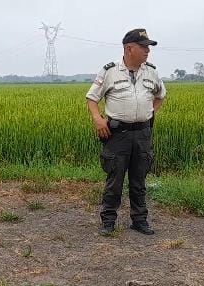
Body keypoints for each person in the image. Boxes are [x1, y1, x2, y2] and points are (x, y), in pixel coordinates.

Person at [85, 28, 166, 236]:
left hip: (142, 134)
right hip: (117, 134)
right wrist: (98, 120)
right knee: (115, 179)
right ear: (129, 48)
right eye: (144, 47)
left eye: (148, 47)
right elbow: (92, 98)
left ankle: (139, 221)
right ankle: (108, 221)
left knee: (139, 180)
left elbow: (160, 95)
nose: (148, 51)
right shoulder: (110, 71)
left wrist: (150, 113)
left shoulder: (151, 71)